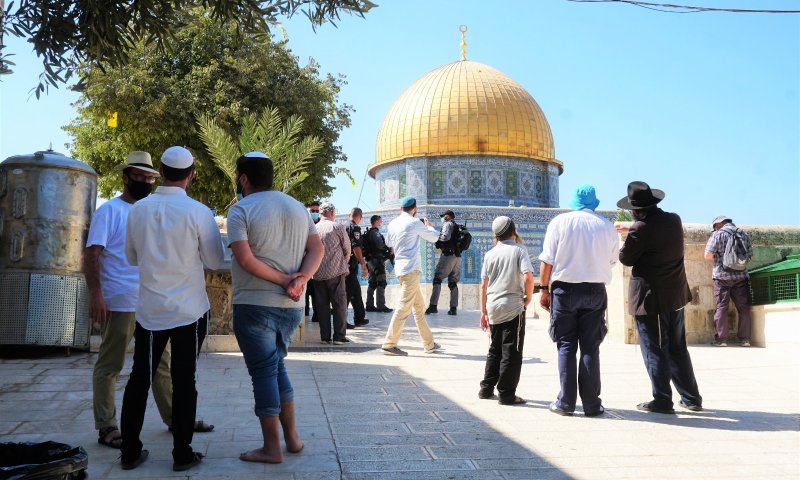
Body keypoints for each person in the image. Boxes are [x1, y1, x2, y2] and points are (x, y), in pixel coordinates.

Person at [120, 146, 225, 471]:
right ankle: (182, 454)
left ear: (161, 173)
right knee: (184, 379)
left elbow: (132, 258)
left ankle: (129, 452)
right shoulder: (198, 212)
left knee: (139, 378)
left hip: (150, 311)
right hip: (189, 312)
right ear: (191, 175)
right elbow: (214, 261)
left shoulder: (138, 210)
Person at [227, 152, 324, 464]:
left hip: (255, 304)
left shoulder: (240, 210)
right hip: (290, 307)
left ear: (243, 178)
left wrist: (285, 279)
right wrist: (299, 281)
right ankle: (292, 440)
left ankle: (271, 448)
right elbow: (316, 248)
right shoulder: (297, 207)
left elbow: (245, 259)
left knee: (263, 373)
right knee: (276, 367)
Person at [86, 152, 172, 449]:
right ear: (125, 177)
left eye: (150, 178)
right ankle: (107, 426)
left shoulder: (151, 210)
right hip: (120, 300)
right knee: (111, 364)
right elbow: (92, 254)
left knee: (161, 363)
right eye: (140, 177)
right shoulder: (108, 211)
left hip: (150, 301)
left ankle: (176, 419)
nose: (146, 182)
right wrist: (96, 294)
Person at [616, 181, 703, 414]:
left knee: (655, 350)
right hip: (676, 295)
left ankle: (663, 400)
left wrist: (629, 234)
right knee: (678, 348)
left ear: (635, 210)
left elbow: (626, 258)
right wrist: (634, 231)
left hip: (652, 300)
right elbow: (656, 238)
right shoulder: (674, 219)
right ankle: (691, 398)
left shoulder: (640, 229)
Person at [538, 185, 619, 417]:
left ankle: (565, 403)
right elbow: (613, 260)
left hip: (565, 291)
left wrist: (544, 289)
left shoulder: (559, 223)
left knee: (566, 345)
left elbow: (547, 261)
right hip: (595, 291)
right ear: (594, 203)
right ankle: (592, 404)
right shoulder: (607, 227)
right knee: (590, 347)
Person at [478, 216, 534, 406]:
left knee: (495, 349)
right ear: (513, 230)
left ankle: (486, 388)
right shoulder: (519, 250)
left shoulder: (490, 254)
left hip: (493, 306)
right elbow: (528, 277)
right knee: (512, 350)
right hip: (513, 306)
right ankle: (506, 394)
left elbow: (483, 285)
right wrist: (528, 297)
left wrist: (483, 312)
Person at [381, 196, 442, 356]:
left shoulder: (393, 223)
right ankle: (389, 343)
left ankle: (429, 344)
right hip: (411, 270)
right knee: (404, 307)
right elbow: (434, 237)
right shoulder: (415, 223)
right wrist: (428, 226)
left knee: (419, 308)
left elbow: (388, 243)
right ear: (414, 209)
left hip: (400, 270)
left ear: (400, 208)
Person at [704, 216, 752, 347]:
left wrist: (718, 255)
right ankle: (745, 339)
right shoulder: (743, 234)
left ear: (719, 224)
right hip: (741, 277)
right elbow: (750, 256)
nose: (714, 229)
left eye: (715, 226)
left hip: (721, 277)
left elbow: (707, 255)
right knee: (743, 308)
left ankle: (721, 340)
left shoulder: (717, 235)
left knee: (721, 308)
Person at [313, 202, 352, 345]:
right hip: (335, 272)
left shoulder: (313, 228)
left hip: (317, 273)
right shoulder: (337, 227)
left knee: (322, 306)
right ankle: (339, 336)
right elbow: (347, 248)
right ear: (332, 213)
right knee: (339, 305)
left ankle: (325, 337)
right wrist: (344, 263)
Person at [426, 210, 462, 316]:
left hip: (448, 255)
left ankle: (433, 306)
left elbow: (445, 237)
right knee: (453, 282)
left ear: (447, 216)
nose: (442, 218)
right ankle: (453, 308)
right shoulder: (456, 226)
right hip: (457, 257)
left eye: (443, 216)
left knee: (437, 279)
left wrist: (436, 236)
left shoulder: (448, 224)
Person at [345, 207, 369, 327]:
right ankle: (342, 321)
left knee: (356, 291)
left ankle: (359, 318)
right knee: (348, 292)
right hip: (351, 265)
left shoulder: (344, 226)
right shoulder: (355, 228)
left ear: (350, 214)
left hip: (345, 265)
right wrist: (363, 265)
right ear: (360, 217)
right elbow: (356, 248)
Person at [364, 214, 393, 313]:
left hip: (370, 261)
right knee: (381, 282)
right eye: (380, 220)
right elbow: (380, 245)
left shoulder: (369, 232)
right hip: (377, 261)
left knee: (372, 283)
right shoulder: (375, 232)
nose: (381, 222)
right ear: (376, 221)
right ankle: (381, 305)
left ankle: (369, 305)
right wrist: (388, 249)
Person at [306, 201, 321, 323]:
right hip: (305, 266)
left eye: (317, 211)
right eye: (313, 211)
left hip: (318, 268)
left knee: (317, 296)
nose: (315, 213)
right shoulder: (304, 224)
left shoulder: (322, 226)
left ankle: (317, 315)